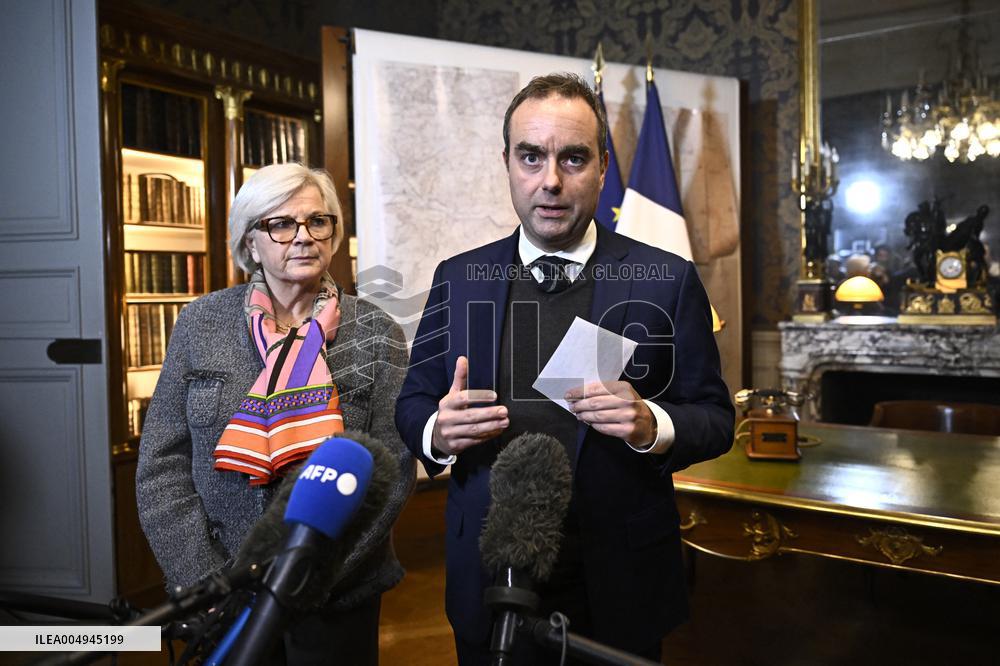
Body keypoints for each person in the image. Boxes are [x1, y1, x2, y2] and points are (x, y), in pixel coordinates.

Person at [395, 73, 734, 664]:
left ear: (603, 166)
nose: (550, 181)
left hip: (618, 579)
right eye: (531, 157)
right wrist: (436, 432)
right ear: (507, 163)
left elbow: (715, 418)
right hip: (488, 572)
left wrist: (650, 423)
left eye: (573, 158)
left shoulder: (669, 278)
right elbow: (413, 402)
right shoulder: (459, 276)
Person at [136, 163, 414, 665]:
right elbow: (162, 466)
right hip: (222, 593)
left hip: (335, 596)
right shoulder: (200, 323)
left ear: (333, 233)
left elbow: (391, 473)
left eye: (318, 222)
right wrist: (206, 579)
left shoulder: (377, 332)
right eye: (281, 224)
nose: (303, 237)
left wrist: (309, 578)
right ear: (250, 243)